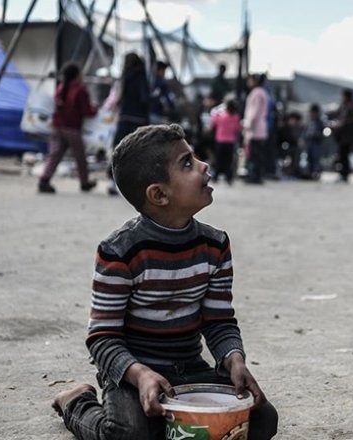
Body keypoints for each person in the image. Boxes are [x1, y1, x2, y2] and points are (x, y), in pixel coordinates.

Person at [50, 124, 279, 440]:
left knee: (262, 419)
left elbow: (218, 322)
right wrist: (140, 375)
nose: (204, 165)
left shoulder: (215, 245)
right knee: (128, 434)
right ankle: (76, 401)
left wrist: (233, 358)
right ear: (158, 194)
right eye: (187, 163)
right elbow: (102, 337)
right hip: (132, 373)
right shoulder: (120, 252)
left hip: (190, 368)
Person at [37, 63, 97, 194]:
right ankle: (84, 182)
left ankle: (44, 180)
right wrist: (95, 109)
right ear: (77, 75)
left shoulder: (60, 87)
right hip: (72, 128)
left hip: (57, 126)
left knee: (54, 155)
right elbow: (86, 111)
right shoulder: (80, 90)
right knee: (80, 156)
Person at [109, 52, 150, 196]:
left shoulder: (125, 76)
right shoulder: (141, 76)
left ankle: (112, 182)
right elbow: (144, 97)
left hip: (124, 116)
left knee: (119, 150)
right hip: (138, 118)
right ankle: (136, 185)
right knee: (138, 152)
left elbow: (118, 97)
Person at [242, 74, 269, 184]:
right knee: (257, 154)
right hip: (259, 128)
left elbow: (254, 111)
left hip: (255, 129)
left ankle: (254, 176)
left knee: (254, 154)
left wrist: (247, 124)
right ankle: (256, 175)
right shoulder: (262, 92)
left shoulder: (257, 93)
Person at [331, 89, 353, 183]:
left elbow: (350, 121)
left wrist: (340, 124)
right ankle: (342, 174)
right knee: (342, 156)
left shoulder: (352, 107)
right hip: (343, 136)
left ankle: (344, 175)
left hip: (347, 137)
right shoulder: (344, 106)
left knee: (344, 156)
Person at [210, 99, 240, 185]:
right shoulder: (236, 117)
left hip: (220, 141)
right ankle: (229, 177)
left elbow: (213, 122)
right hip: (230, 142)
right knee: (229, 161)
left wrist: (217, 112)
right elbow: (237, 129)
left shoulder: (221, 116)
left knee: (219, 160)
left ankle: (216, 176)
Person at [301, 103, 326, 180]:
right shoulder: (309, 121)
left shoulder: (320, 122)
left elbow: (322, 133)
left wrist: (317, 135)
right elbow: (305, 131)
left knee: (316, 158)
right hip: (309, 141)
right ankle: (309, 172)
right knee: (309, 158)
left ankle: (316, 173)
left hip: (316, 142)